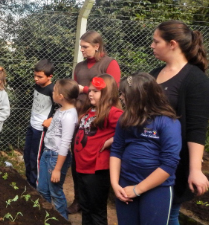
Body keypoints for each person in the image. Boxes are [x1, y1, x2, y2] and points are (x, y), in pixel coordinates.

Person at [149, 20, 209, 225]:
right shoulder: (153, 74)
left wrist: (195, 169)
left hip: (172, 164)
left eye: (156, 41)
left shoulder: (196, 82)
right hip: (146, 160)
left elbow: (196, 129)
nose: (152, 45)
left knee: (167, 215)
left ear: (172, 44)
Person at [110, 73, 182, 225]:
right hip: (125, 184)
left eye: (124, 94)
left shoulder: (168, 122)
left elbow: (169, 163)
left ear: (138, 96)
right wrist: (115, 184)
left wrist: (137, 189)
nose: (121, 98)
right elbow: (116, 151)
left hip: (157, 189)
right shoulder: (125, 119)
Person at [70, 30, 121, 213]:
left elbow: (111, 90)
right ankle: (79, 199)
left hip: (100, 119)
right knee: (77, 156)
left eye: (85, 47)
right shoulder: (80, 67)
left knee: (95, 157)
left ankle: (96, 199)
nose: (82, 50)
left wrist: (84, 89)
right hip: (80, 117)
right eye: (81, 47)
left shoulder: (109, 64)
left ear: (97, 46)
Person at [73, 74, 122, 225]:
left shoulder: (113, 112)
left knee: (97, 212)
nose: (90, 93)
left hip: (96, 171)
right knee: (86, 208)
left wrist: (113, 140)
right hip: (82, 168)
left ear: (107, 93)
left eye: (96, 91)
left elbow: (132, 128)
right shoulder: (91, 110)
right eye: (90, 90)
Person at [37, 79, 79, 220]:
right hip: (47, 153)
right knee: (42, 189)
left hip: (56, 157)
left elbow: (65, 143)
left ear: (61, 96)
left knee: (55, 191)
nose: (52, 92)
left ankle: (62, 220)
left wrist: (57, 169)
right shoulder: (60, 110)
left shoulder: (69, 115)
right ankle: (48, 218)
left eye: (54, 91)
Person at [23, 59, 55, 189]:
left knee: (35, 157)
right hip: (32, 125)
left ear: (50, 76)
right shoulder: (37, 86)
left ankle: (36, 186)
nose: (36, 79)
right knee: (27, 153)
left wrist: (51, 119)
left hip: (41, 129)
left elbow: (60, 108)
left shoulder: (53, 90)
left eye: (40, 77)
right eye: (35, 75)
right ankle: (28, 180)